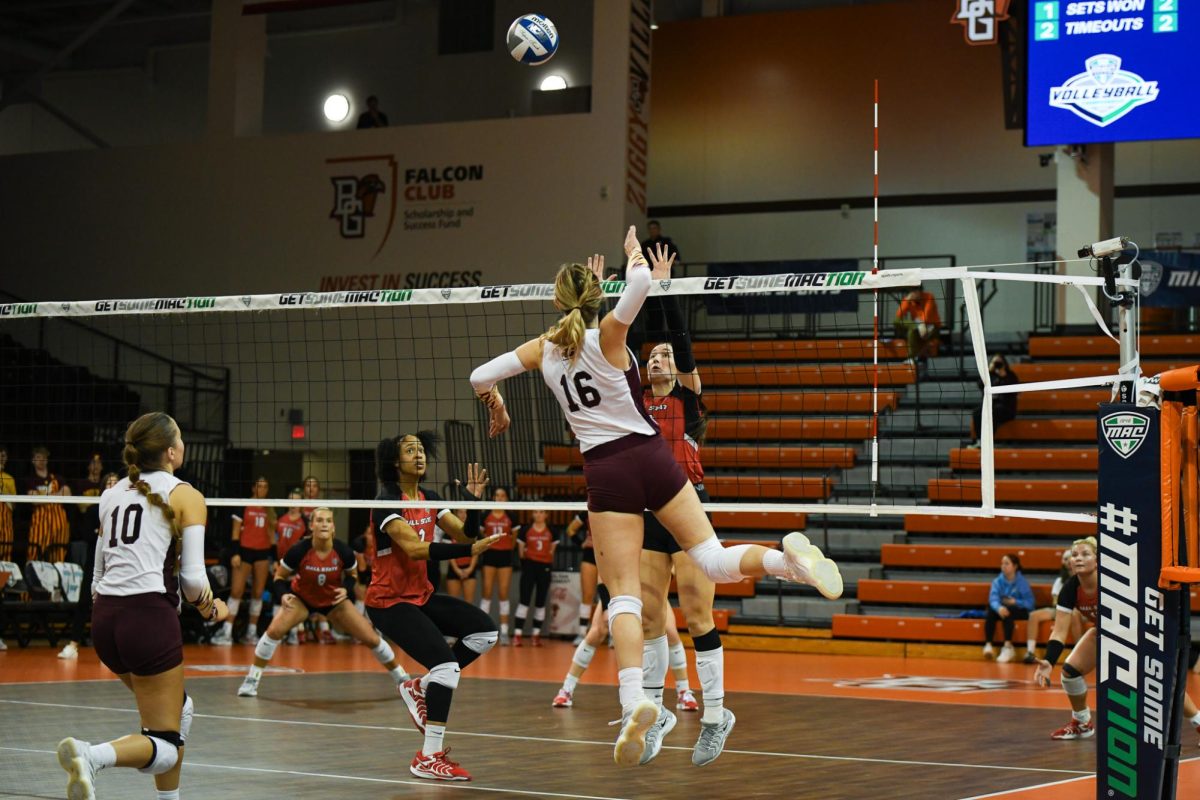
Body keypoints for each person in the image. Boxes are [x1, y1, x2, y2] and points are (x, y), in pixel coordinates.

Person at [469, 226, 842, 767]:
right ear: (596, 299)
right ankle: (786, 562)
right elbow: (640, 282)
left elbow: (480, 374)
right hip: (651, 457)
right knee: (712, 559)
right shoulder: (610, 339)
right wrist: (634, 257)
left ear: (556, 301)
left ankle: (635, 702)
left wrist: (496, 403)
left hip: (605, 472)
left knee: (622, 596)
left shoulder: (543, 352)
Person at [56, 411, 228, 800]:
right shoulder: (186, 495)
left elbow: (96, 576)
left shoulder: (111, 493)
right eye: (180, 438)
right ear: (171, 451)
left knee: (178, 711)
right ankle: (92, 755)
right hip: (148, 620)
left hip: (105, 624)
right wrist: (214, 610)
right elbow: (193, 582)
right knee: (165, 745)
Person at [628, 244, 734, 765]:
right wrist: (622, 287)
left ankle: (715, 714)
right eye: (653, 357)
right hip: (649, 512)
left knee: (696, 614)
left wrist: (665, 287)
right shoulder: (634, 400)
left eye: (665, 355)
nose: (660, 359)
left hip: (689, 507)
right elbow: (617, 349)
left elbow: (683, 346)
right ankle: (652, 715)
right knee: (650, 617)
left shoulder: (690, 399)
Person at [367, 432, 505, 781]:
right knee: (447, 667)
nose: (419, 456)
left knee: (485, 632)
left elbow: (465, 535)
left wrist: (473, 505)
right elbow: (414, 549)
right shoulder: (387, 501)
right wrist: (467, 552)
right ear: (395, 462)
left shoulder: (429, 497)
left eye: (421, 450)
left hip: (421, 595)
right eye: (410, 451)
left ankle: (420, 686)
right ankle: (428, 756)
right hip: (388, 602)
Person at [238, 507, 408, 697]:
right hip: (302, 599)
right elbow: (279, 576)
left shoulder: (343, 551)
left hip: (333, 601)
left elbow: (352, 575)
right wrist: (283, 594)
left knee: (371, 638)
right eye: (319, 520)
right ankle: (252, 679)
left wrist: (346, 588)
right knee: (274, 631)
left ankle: (402, 678)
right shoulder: (299, 550)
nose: (324, 524)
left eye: (328, 520)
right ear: (311, 526)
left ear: (333, 527)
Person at [553, 590, 696, 712]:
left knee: (670, 632)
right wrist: (606, 606)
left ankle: (683, 691)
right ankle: (567, 689)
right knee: (598, 630)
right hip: (621, 588)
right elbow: (602, 574)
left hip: (652, 585)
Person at [58, 471, 120, 660]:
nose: (112, 486)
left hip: (116, 564)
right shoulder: (95, 509)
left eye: (116, 484)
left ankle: (113, 649)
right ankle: (73, 644)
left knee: (115, 606)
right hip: (95, 564)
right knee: (84, 602)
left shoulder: (123, 510)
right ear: (102, 488)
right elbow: (88, 535)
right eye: (109, 483)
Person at [212, 477, 275, 645]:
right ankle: (226, 632)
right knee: (236, 592)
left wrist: (274, 558)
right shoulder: (244, 504)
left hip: (262, 554)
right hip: (244, 553)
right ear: (254, 488)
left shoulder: (270, 509)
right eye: (259, 486)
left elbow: (272, 536)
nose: (262, 489)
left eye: (265, 487)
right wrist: (235, 553)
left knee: (258, 594)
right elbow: (234, 533)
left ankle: (251, 633)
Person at [1022, 548, 1079, 664]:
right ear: (1063, 562)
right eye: (1065, 559)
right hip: (1060, 609)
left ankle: (1079, 651)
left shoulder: (1081, 577)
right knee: (1033, 615)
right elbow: (1055, 601)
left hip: (1078, 609)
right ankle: (1030, 652)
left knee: (1074, 614)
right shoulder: (1059, 581)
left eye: (1070, 558)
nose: (1068, 561)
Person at [478, 487, 518, 643]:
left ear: (507, 498)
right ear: (493, 497)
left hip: (505, 556)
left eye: (502, 495)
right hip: (489, 555)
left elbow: (514, 538)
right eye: (497, 495)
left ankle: (504, 632)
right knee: (487, 591)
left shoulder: (512, 516)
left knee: (503, 593)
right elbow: (481, 534)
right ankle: (481, 631)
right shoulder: (485, 514)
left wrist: (507, 548)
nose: (500, 498)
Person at [512, 508, 556, 647]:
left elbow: (552, 552)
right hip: (529, 567)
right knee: (524, 600)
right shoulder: (526, 530)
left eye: (542, 512)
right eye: (536, 512)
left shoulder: (552, 531)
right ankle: (517, 635)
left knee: (540, 601)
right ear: (532, 514)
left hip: (544, 567)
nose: (538, 514)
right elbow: (520, 551)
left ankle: (535, 635)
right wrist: (527, 564)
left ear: (546, 515)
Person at [982, 553, 1035, 663]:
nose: (1003, 566)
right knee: (991, 611)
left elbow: (1030, 603)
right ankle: (988, 645)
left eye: (1007, 563)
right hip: (1003, 609)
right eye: (1002, 564)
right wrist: (999, 608)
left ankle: (1008, 647)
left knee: (1008, 611)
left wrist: (1015, 601)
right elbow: (993, 598)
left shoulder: (1022, 582)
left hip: (1020, 610)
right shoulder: (998, 581)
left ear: (1015, 566)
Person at [25, 445, 72, 563]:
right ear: (33, 460)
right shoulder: (30, 480)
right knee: (35, 554)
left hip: (59, 525)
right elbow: (34, 500)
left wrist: (43, 497)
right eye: (38, 457)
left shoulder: (57, 478)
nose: (41, 460)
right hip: (40, 525)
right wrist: (57, 495)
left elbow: (68, 494)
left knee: (58, 557)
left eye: (44, 457)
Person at [968, 354, 1020, 448]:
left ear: (1005, 364)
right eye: (995, 363)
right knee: (976, 412)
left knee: (992, 413)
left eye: (1000, 363)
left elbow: (1016, 390)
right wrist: (989, 371)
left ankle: (987, 442)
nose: (998, 365)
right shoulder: (990, 376)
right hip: (991, 407)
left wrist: (1004, 376)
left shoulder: (1010, 375)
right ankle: (980, 441)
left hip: (1006, 408)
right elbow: (980, 385)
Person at [566, 508, 598, 644]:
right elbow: (570, 530)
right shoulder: (587, 511)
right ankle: (582, 633)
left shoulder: (613, 506)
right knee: (587, 596)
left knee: (610, 596)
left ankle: (613, 636)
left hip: (609, 555)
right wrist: (581, 543)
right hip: (590, 555)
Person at [71, 453, 106, 566]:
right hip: (82, 535)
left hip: (101, 533)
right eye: (93, 463)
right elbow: (82, 508)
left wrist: (89, 503)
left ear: (102, 466)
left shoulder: (104, 484)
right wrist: (100, 502)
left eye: (98, 463)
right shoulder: (80, 484)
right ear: (88, 466)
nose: (96, 466)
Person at [893, 288, 941, 366]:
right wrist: (907, 300)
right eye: (911, 292)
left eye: (915, 291)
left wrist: (922, 324)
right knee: (896, 321)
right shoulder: (909, 300)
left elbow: (927, 313)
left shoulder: (929, 296)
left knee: (912, 331)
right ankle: (915, 327)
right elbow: (899, 315)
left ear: (919, 291)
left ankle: (911, 357)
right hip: (917, 326)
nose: (913, 294)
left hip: (931, 326)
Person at [444, 510, 479, 603]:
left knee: (469, 604)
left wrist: (470, 568)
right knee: (453, 604)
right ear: (456, 514)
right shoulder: (449, 530)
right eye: (460, 512)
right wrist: (457, 570)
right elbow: (448, 553)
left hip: (469, 569)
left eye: (466, 512)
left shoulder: (473, 529)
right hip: (454, 569)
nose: (463, 515)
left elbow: (476, 551)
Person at [0, 445, 15, 563]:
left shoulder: (9, 479)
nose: (1, 458)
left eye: (3, 456)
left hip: (5, 524)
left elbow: (13, 504)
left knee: (5, 554)